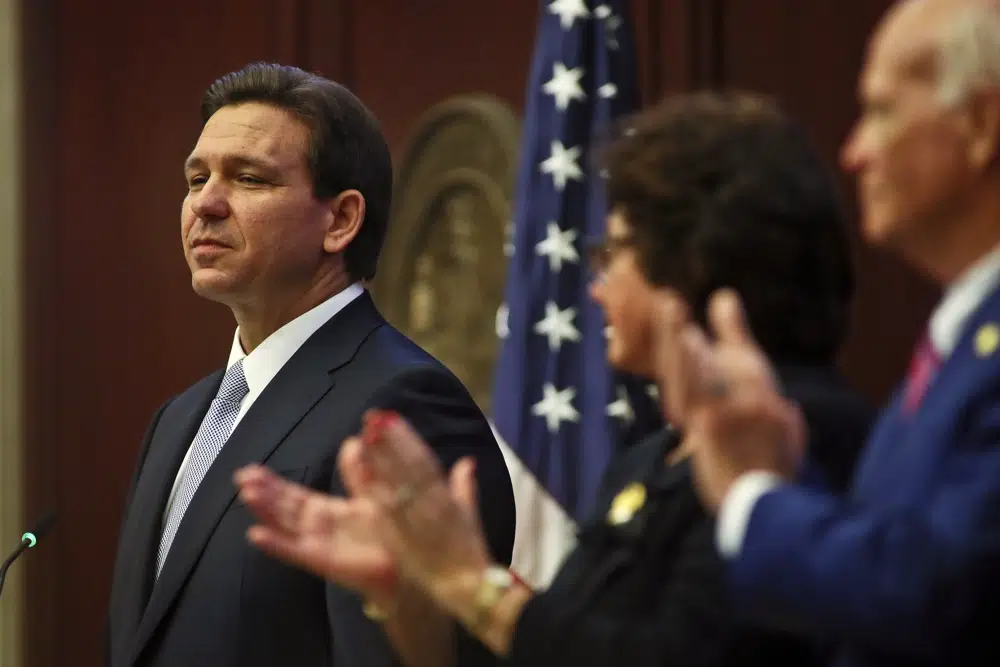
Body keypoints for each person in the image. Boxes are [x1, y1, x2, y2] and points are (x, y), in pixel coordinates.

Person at [235, 91, 875, 667]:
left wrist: (466, 580)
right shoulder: (649, 457)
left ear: (694, 265)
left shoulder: (800, 432)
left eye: (614, 253)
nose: (596, 286)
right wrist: (410, 592)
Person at [104, 62, 516, 667]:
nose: (206, 204)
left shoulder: (401, 405)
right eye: (196, 179)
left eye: (248, 179)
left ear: (341, 220)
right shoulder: (179, 418)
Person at [650, 1, 1000, 666]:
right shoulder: (961, 336)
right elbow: (894, 550)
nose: (854, 152)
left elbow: (936, 593)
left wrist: (755, 496)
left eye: (881, 111)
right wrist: (777, 462)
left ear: (981, 125)